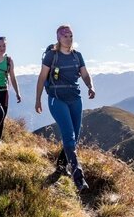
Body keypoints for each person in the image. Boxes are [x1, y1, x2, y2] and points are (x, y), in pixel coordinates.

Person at [35, 24, 95, 190]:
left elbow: (85, 74)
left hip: (75, 99)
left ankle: (61, 166)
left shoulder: (77, 56)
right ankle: (78, 178)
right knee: (68, 136)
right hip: (57, 99)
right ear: (58, 38)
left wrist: (91, 86)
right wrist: (38, 99)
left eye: (70, 36)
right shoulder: (51, 56)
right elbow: (42, 78)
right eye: (65, 36)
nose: (68, 39)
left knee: (74, 138)